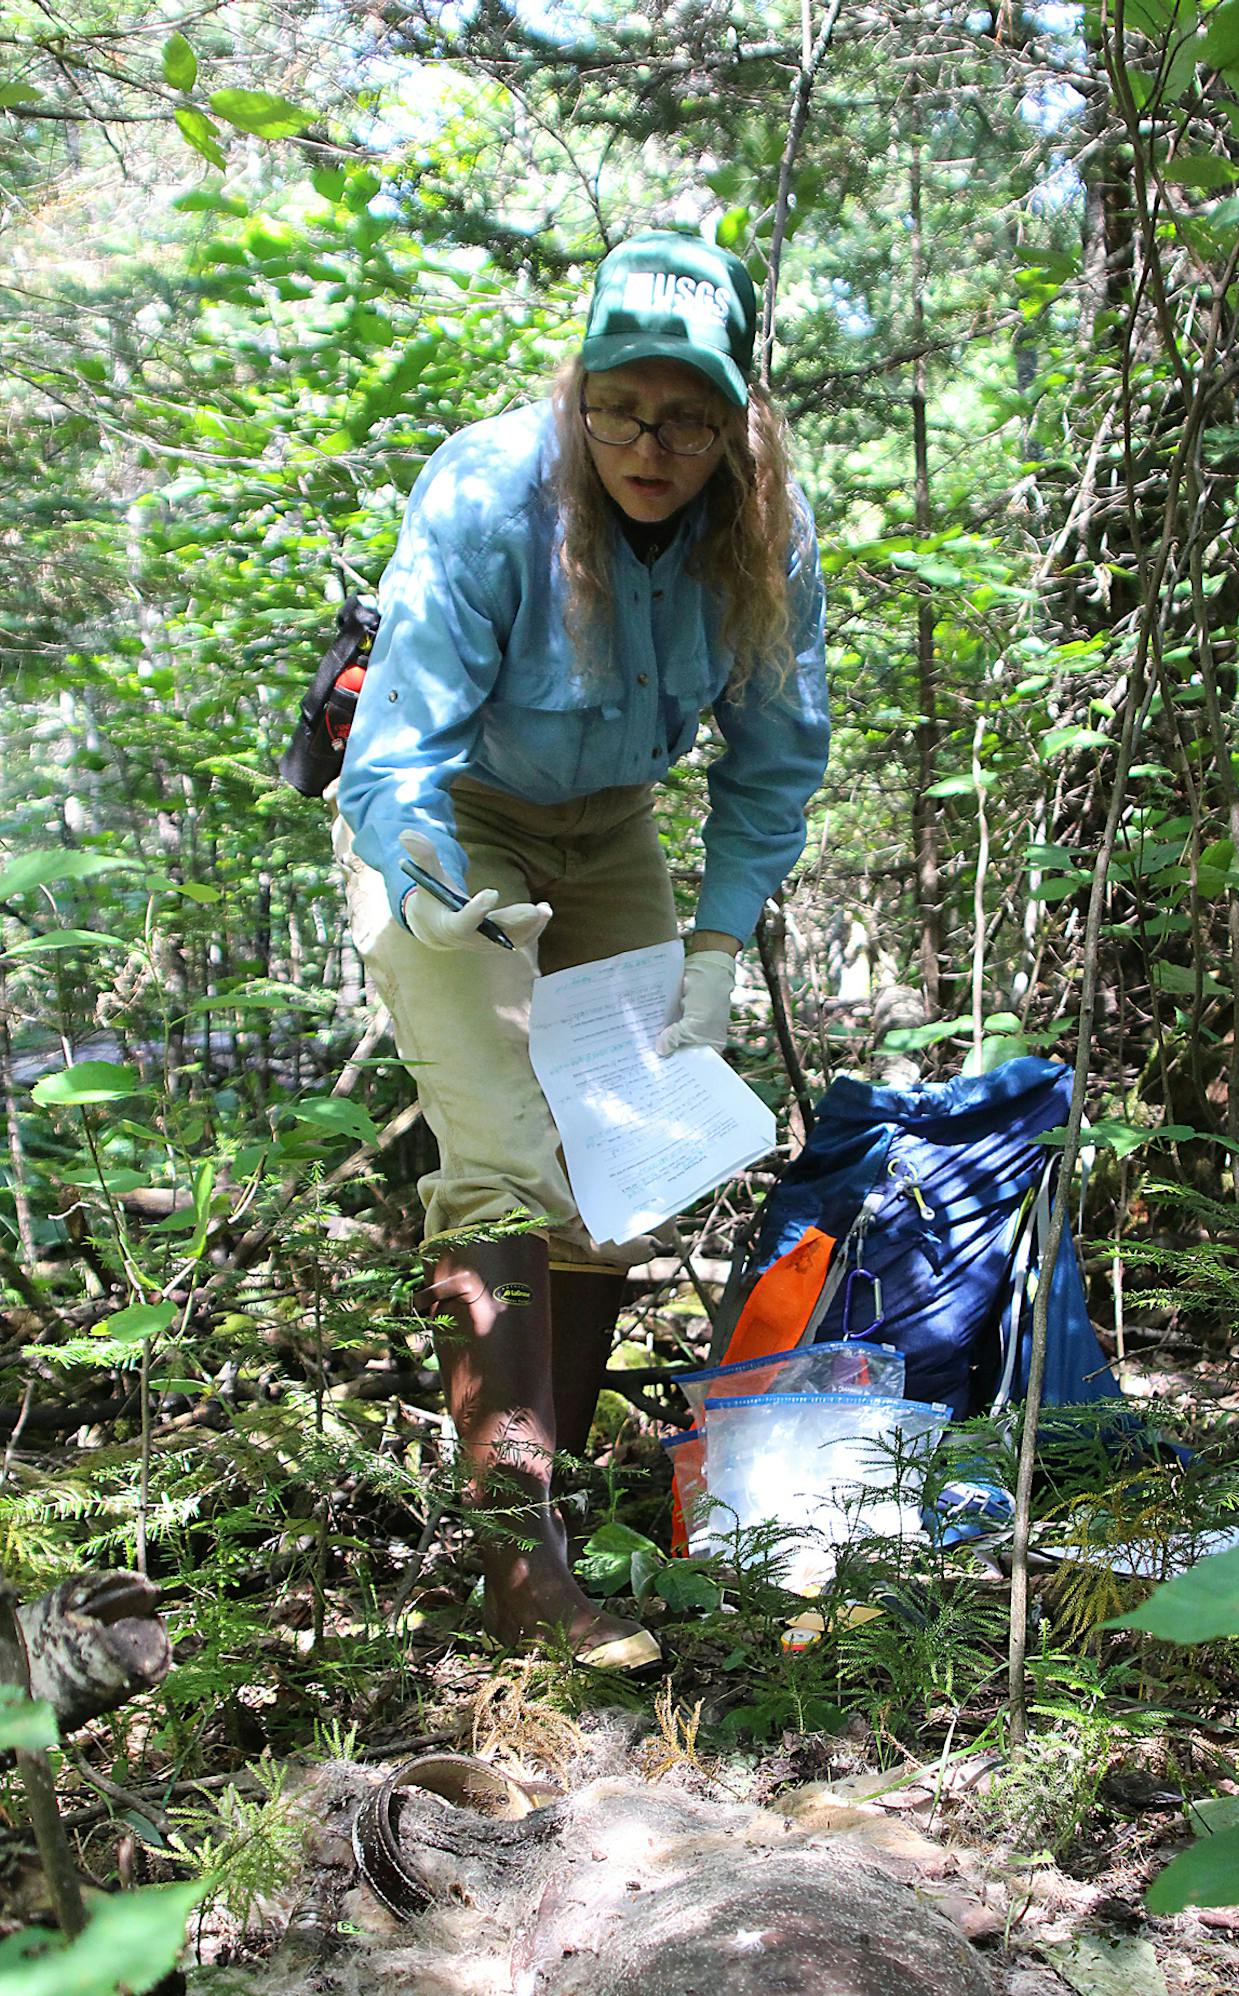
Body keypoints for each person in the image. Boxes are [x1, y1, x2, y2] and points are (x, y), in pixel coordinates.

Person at [334, 229, 830, 1670]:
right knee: (500, 1149)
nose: (647, 443)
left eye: (684, 413)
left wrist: (721, 944)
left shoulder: (763, 525)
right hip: (454, 824)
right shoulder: (493, 490)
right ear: (579, 390)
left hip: (610, 827)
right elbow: (394, 753)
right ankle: (516, 1567)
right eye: (617, 404)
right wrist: (430, 892)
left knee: (619, 1168)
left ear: (737, 414)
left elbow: (774, 756)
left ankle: (547, 1508)